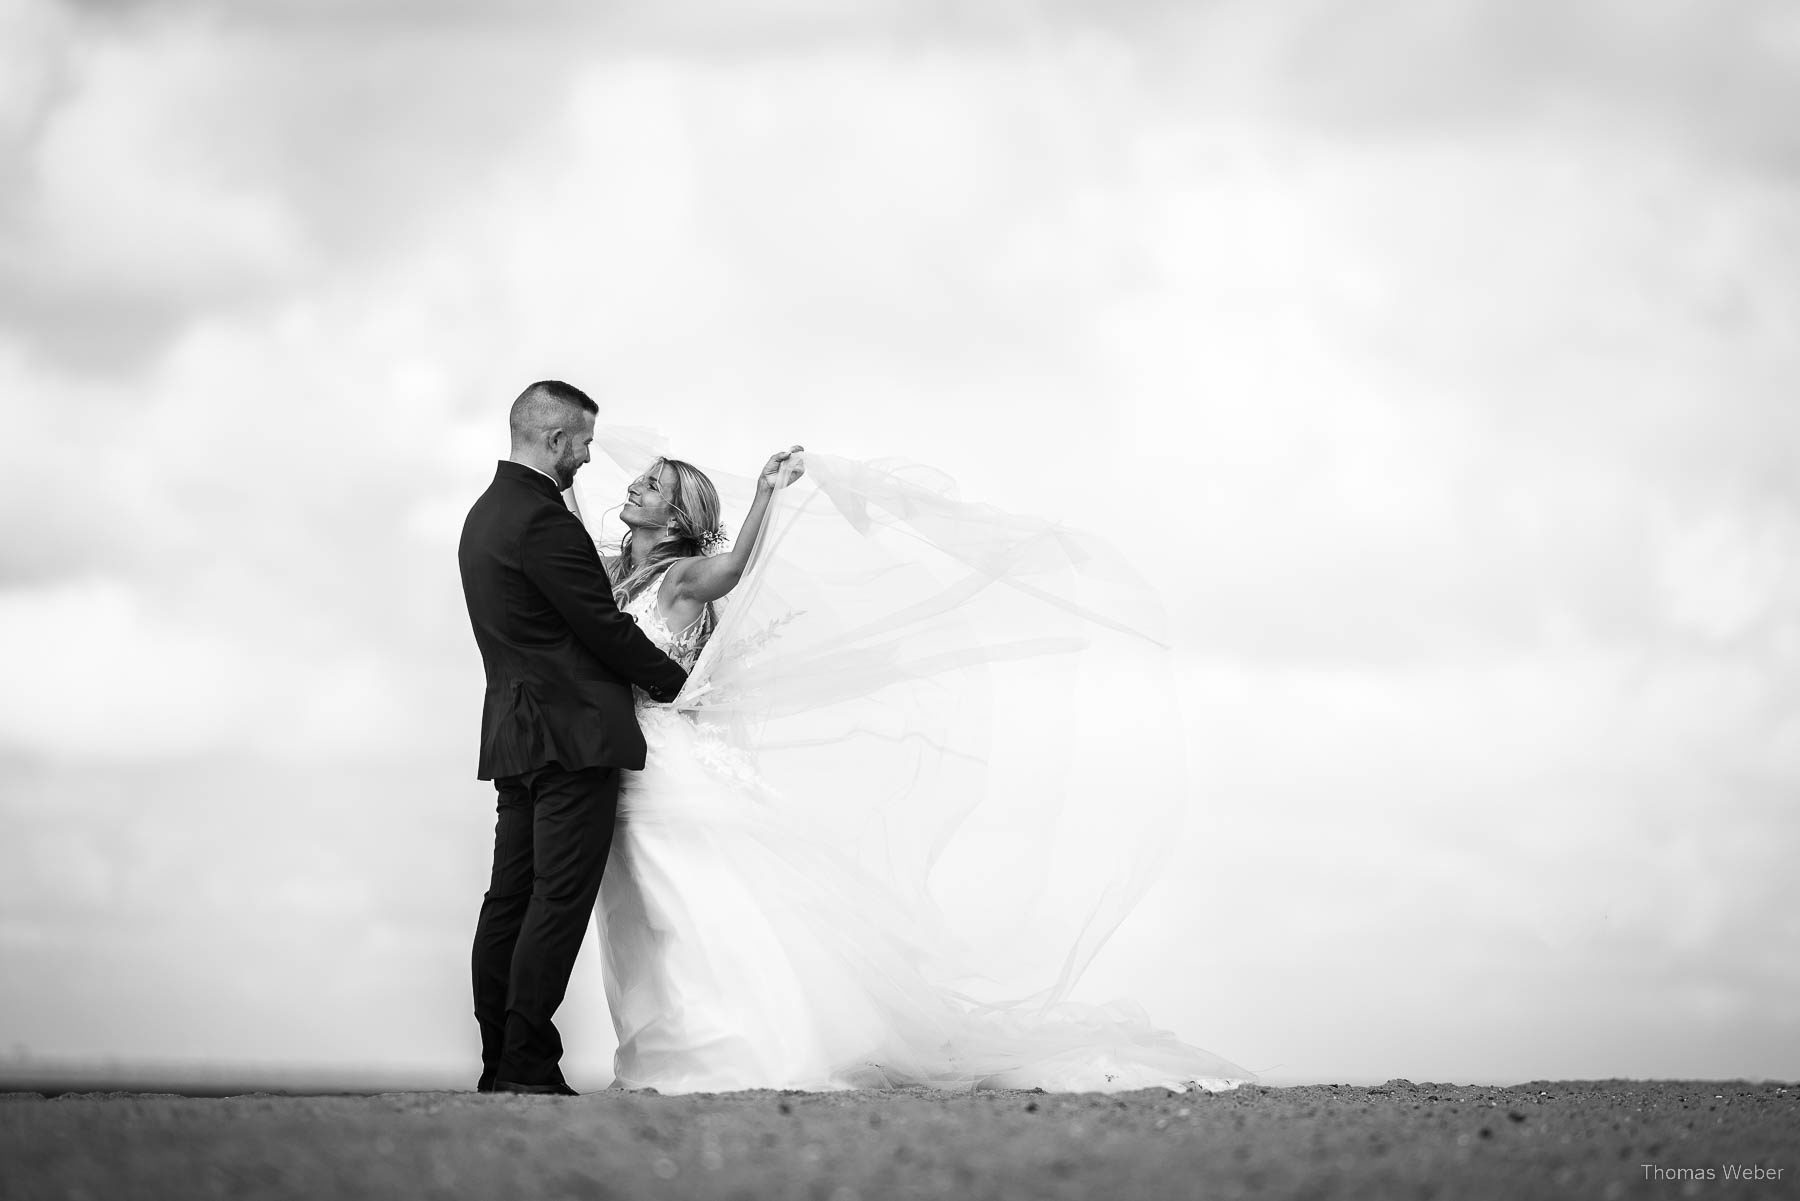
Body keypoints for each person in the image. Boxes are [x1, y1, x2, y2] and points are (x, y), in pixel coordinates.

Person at [580, 435, 1252, 1094]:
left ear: (673, 517)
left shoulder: (684, 578)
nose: (633, 487)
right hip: (623, 761)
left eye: (651, 485)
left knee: (687, 902)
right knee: (635, 911)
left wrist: (763, 497)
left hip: (664, 766)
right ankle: (660, 1047)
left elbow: (734, 572)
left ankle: (730, 1046)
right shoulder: (621, 575)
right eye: (640, 481)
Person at [458, 382, 689, 1096]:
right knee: (555, 902)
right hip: (573, 736)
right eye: (585, 442)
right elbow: (601, 625)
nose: (590, 457)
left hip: (515, 733)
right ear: (557, 440)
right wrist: (673, 681)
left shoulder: (484, 516)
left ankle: (503, 1058)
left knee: (510, 901)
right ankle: (526, 1060)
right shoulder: (542, 521)